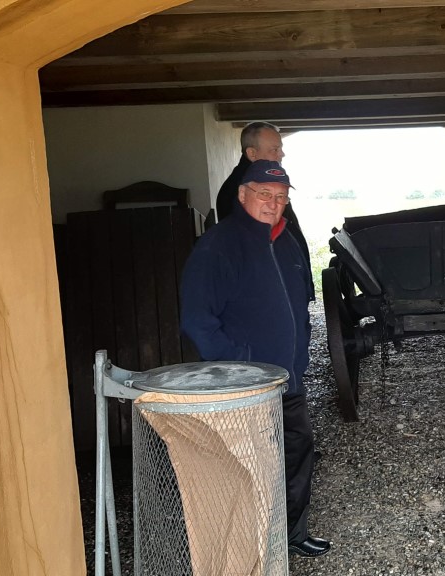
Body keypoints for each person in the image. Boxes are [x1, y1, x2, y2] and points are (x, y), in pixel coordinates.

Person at [180, 159, 331, 558]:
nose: (273, 203)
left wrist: (299, 358)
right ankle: (253, 546)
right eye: (264, 194)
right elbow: (197, 321)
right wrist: (240, 366)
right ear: (243, 194)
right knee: (250, 467)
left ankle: (291, 535)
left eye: (281, 197)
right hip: (247, 388)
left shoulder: (287, 242)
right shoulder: (218, 246)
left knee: (296, 455)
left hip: (289, 381)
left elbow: (300, 308)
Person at [216, 122, 313, 299]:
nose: (282, 154)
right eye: (275, 149)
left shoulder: (266, 182)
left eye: (280, 148)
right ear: (252, 154)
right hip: (268, 290)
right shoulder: (241, 189)